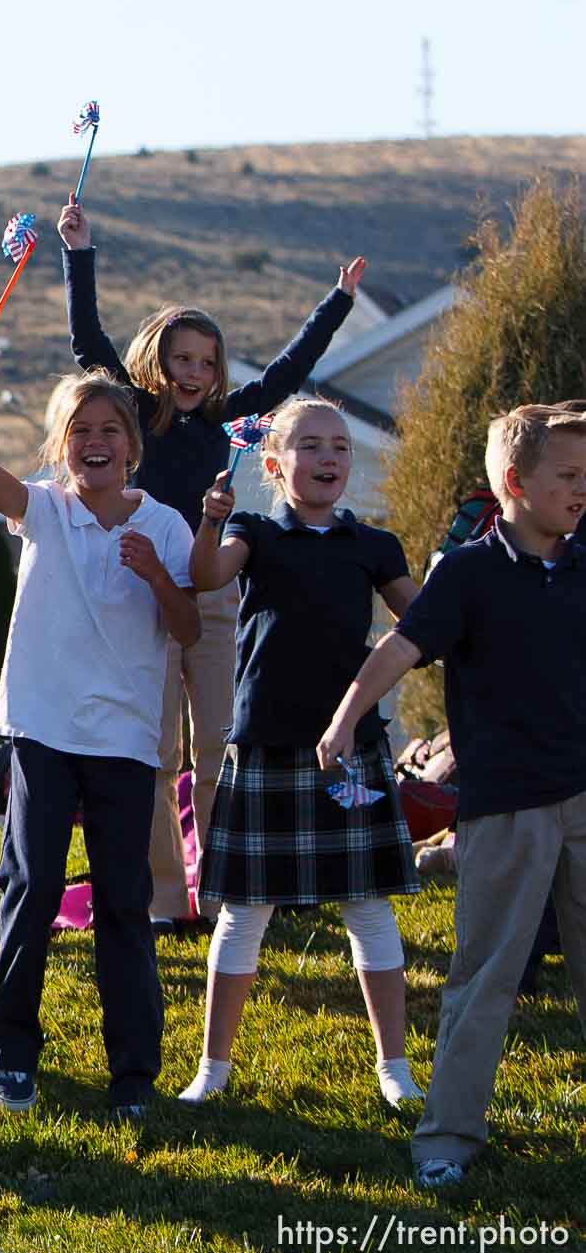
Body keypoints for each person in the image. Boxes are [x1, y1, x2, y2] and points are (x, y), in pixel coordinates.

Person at [59, 197, 364, 927]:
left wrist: (338, 303)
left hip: (215, 593)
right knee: (157, 751)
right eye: (181, 358)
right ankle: (168, 899)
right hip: (145, 597)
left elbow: (290, 372)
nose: (193, 371)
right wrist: (78, 252)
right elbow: (86, 341)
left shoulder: (231, 420)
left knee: (221, 746)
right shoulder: (135, 411)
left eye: (206, 361)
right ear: (157, 362)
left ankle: (225, 887)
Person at [318, 403, 586, 1190]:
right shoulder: (467, 571)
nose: (582, 491)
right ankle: (449, 1136)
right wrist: (345, 719)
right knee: (486, 976)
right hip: (507, 808)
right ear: (515, 484)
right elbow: (399, 646)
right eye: (568, 477)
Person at [0, 332, 199, 1120]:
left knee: (124, 903)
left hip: (125, 736)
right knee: (32, 888)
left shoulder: (165, 525)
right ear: (62, 447)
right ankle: (11, 1056)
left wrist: (157, 575)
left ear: (132, 446)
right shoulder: (44, 509)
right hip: (42, 728)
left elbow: (189, 628)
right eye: (80, 432)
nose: (95, 443)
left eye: (110, 432)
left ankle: (133, 1077)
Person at [181, 397, 424, 1107]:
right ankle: (213, 1070)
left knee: (370, 909)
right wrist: (210, 519)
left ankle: (395, 1069)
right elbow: (205, 577)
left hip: (352, 750)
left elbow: (425, 620)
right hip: (265, 747)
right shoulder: (253, 530)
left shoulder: (376, 547)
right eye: (311, 446)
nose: (328, 458)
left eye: (340, 447)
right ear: (273, 463)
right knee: (243, 915)